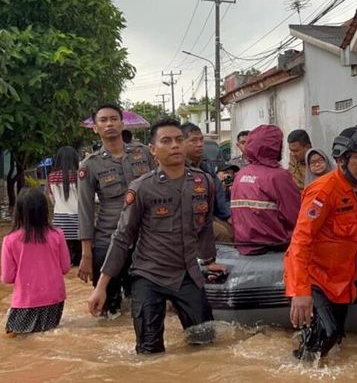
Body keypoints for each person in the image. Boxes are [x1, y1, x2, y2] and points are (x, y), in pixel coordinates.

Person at [88, 118, 226, 354]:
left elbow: (204, 229)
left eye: (179, 140)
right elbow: (122, 237)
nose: (175, 145)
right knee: (149, 352)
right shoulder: (141, 188)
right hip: (148, 275)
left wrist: (209, 261)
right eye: (166, 141)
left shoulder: (203, 182)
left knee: (206, 347)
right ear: (153, 150)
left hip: (187, 274)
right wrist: (101, 286)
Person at [285, 126, 357, 360]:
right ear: (342, 159)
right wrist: (301, 292)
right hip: (315, 280)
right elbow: (301, 240)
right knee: (325, 337)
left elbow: (344, 231)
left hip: (339, 283)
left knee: (336, 341)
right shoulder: (323, 191)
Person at [78, 103, 155, 318]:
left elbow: (158, 189)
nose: (109, 123)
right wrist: (86, 254)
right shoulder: (89, 165)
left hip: (144, 240)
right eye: (103, 120)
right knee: (107, 311)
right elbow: (84, 210)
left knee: (144, 302)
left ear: (122, 123)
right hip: (107, 240)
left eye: (114, 119)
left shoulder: (142, 153)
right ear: (95, 128)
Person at [2, 187, 70, 335]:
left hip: (25, 301)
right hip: (55, 301)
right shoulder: (58, 235)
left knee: (16, 340)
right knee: (47, 334)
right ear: (45, 211)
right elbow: (65, 268)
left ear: (18, 212)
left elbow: (7, 278)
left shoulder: (10, 240)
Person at [231, 125, 301, 255]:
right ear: (275, 146)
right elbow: (296, 216)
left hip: (244, 244)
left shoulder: (240, 174)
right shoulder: (278, 176)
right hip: (275, 244)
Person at [181, 123, 233, 243]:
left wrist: (228, 216)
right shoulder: (178, 168)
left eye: (201, 140)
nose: (199, 144)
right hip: (189, 221)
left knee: (234, 230)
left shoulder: (206, 167)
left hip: (210, 216)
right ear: (181, 143)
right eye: (193, 140)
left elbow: (219, 195)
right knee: (223, 235)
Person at [47, 146, 82, 266]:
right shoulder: (80, 176)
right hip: (79, 222)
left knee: (63, 260)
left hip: (60, 222)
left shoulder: (51, 177)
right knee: (80, 260)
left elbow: (52, 200)